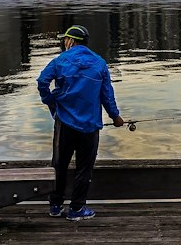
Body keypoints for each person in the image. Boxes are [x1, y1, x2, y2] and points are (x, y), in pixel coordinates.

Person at [37, 24, 124, 221]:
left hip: (64, 123)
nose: (63, 44)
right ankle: (77, 209)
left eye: (64, 40)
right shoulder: (100, 63)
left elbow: (42, 82)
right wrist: (116, 117)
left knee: (59, 165)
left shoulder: (60, 60)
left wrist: (52, 102)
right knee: (84, 168)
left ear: (71, 41)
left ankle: (56, 206)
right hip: (90, 125)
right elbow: (106, 96)